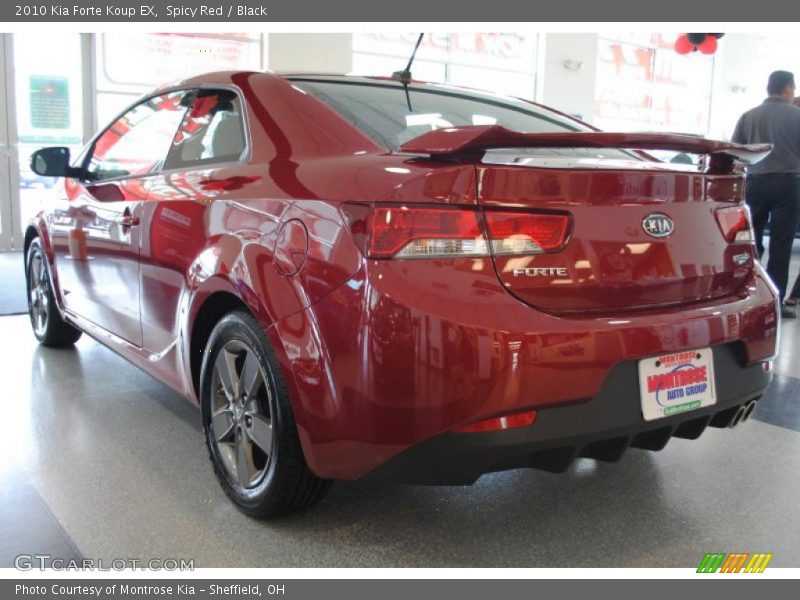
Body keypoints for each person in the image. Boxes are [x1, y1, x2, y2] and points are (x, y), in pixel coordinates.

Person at [732, 71, 800, 318]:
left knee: (751, 242)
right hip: (788, 185)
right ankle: (775, 304)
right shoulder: (797, 115)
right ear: (789, 88)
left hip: (755, 183)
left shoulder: (748, 117)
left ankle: (752, 298)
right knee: (781, 245)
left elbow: (737, 154)